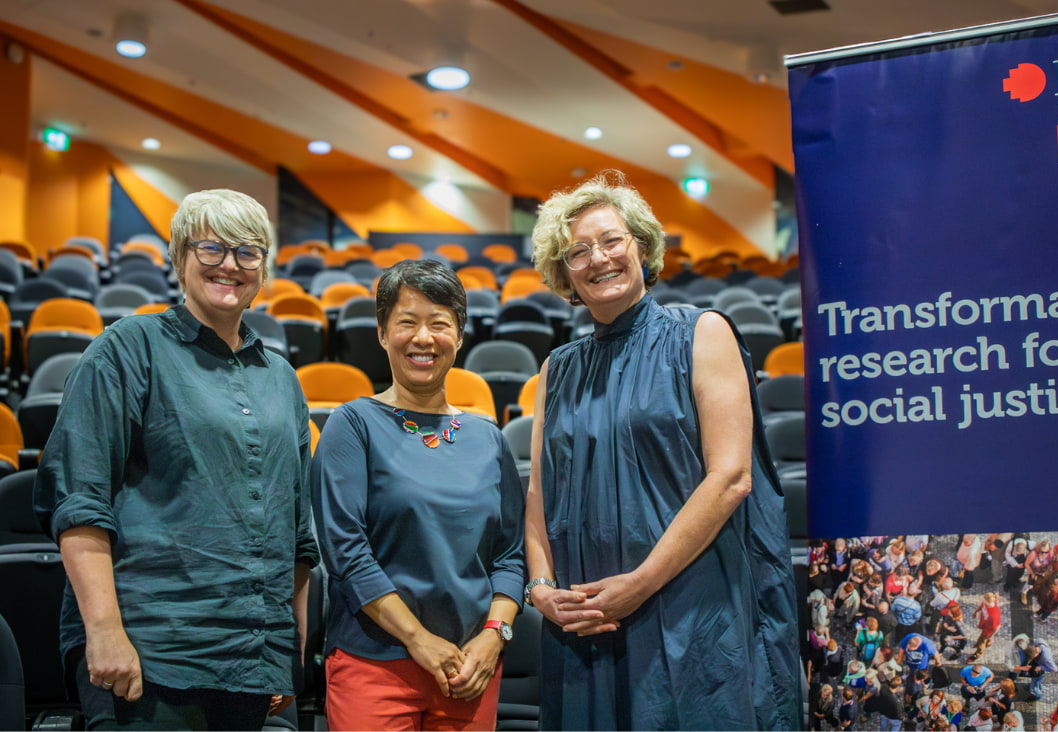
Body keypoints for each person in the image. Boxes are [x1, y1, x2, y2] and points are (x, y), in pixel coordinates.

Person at [523, 172, 801, 729]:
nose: (598, 258)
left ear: (642, 247)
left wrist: (640, 584)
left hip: (689, 605)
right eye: (577, 251)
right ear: (564, 274)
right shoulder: (557, 368)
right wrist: (541, 589)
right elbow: (538, 491)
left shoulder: (703, 333)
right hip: (585, 614)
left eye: (611, 240)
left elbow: (731, 477)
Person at [32, 190, 317, 730]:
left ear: (263, 267)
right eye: (211, 248)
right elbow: (79, 500)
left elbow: (295, 526)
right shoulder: (126, 348)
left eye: (247, 251)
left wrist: (285, 654)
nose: (230, 264)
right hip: (149, 648)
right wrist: (105, 631)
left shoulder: (280, 377)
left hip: (251, 655)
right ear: (179, 256)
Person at [311, 260, 525, 730]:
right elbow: (346, 553)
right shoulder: (353, 424)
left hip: (469, 668)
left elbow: (511, 557)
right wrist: (418, 640)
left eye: (439, 323)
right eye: (407, 322)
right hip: (375, 662)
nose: (423, 338)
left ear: (460, 336)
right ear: (384, 333)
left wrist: (494, 636)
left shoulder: (487, 436)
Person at [1009, 635, 1058, 701]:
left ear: (1035, 654)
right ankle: (1038, 687)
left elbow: (1054, 669)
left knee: (1033, 688)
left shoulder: (1046, 658)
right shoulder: (1038, 643)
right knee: (1036, 683)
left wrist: (1041, 667)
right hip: (1035, 666)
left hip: (1039, 672)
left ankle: (1037, 696)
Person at [969, 592, 1001, 661]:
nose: (982, 600)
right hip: (985, 626)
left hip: (988, 631)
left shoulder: (994, 615)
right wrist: (976, 612)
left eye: (984, 600)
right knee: (981, 639)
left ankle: (977, 655)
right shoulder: (986, 603)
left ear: (988, 602)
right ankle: (985, 642)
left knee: (982, 644)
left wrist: (991, 635)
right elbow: (981, 606)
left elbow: (997, 626)